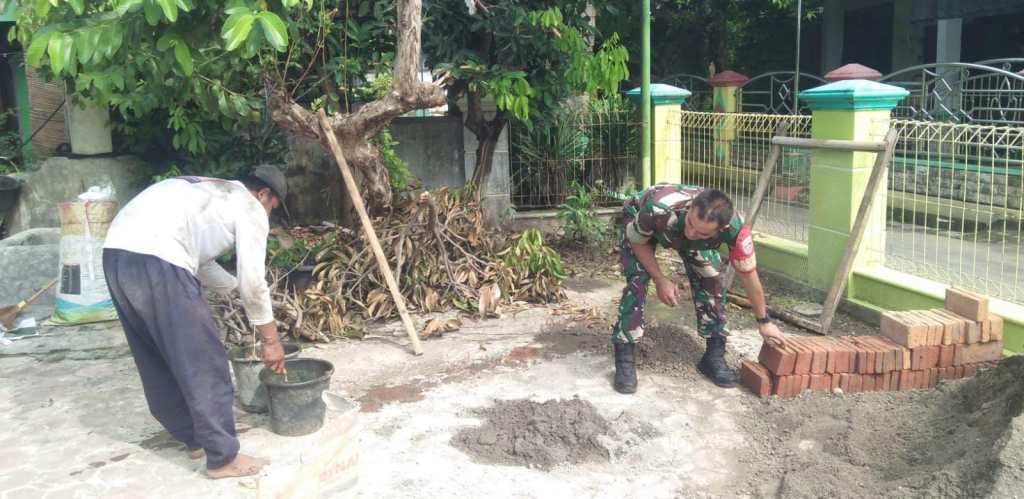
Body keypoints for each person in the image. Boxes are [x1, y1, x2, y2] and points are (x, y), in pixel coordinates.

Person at [102, 165, 289, 478]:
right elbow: (253, 281)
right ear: (264, 194)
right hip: (159, 261)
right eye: (273, 207)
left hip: (116, 256)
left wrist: (234, 292)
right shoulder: (249, 206)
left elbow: (202, 262)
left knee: (156, 356)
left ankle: (194, 439)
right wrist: (270, 339)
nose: (269, 214)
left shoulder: (211, 192)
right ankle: (223, 458)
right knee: (205, 360)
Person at [611, 183, 786, 393]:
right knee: (637, 280)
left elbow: (748, 275)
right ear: (691, 207)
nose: (692, 233)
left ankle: (713, 356)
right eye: (691, 224)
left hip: (678, 227)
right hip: (644, 223)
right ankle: (625, 357)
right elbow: (638, 242)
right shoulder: (656, 209)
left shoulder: (736, 230)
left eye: (702, 233)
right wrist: (661, 280)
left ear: (720, 230)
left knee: (711, 277)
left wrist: (764, 321)